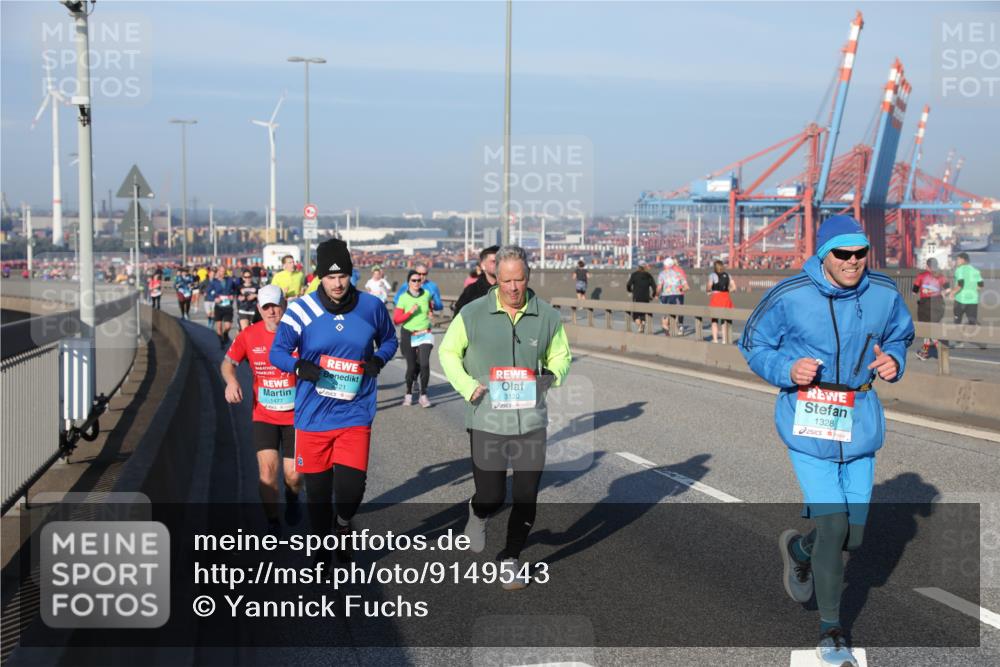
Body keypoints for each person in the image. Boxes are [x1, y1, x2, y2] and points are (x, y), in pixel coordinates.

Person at [738, 215, 914, 667]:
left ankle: (798, 550)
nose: (853, 262)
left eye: (860, 253)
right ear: (823, 254)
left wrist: (894, 360)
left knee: (853, 539)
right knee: (835, 528)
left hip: (859, 424)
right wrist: (786, 370)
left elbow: (900, 334)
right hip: (808, 422)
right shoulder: (789, 295)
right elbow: (754, 343)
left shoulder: (884, 291)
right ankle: (831, 632)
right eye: (843, 254)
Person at [439, 245, 571, 590]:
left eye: (521, 280)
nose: (514, 288)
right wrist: (468, 387)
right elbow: (448, 352)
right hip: (486, 418)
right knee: (492, 495)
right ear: (495, 277)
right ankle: (477, 512)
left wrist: (552, 375)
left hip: (530, 420)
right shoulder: (473, 312)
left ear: (529, 277)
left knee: (527, 494)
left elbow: (561, 354)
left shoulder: (546, 315)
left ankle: (510, 558)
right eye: (507, 280)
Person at [270, 238, 398, 564]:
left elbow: (389, 339)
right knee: (317, 495)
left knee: (351, 491)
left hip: (355, 412)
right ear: (319, 277)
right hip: (313, 415)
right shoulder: (302, 309)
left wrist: (379, 360)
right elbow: (278, 352)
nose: (337, 283)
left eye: (343, 276)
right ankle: (323, 551)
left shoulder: (370, 307)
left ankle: (343, 526)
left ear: (351, 274)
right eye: (330, 276)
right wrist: (299, 366)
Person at [221, 285, 302, 533]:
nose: (272, 312)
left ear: (284, 305)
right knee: (267, 472)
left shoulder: (299, 334)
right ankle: (273, 522)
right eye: (266, 307)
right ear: (259, 309)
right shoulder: (249, 335)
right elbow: (227, 363)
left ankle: (292, 495)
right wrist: (232, 381)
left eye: (276, 306)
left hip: (296, 417)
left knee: (293, 476)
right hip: (264, 415)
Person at [394, 269, 435, 407]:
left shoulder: (427, 294)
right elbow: (397, 320)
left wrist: (430, 312)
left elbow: (430, 306)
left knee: (424, 364)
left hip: (424, 333)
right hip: (409, 333)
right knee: (411, 367)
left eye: (419, 280)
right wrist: (410, 312)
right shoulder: (403, 298)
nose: (417, 282)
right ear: (408, 283)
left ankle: (423, 395)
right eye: (414, 280)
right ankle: (408, 394)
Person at [912, 257, 950, 360]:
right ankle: (932, 350)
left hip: (925, 304)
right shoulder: (940, 276)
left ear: (927, 266)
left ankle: (931, 350)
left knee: (926, 330)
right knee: (932, 329)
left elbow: (914, 291)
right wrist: (941, 293)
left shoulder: (921, 276)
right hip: (938, 303)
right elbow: (948, 289)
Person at [453, 245, 499, 315]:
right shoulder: (472, 291)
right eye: (493, 261)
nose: (498, 264)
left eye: (500, 261)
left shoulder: (510, 288)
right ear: (483, 265)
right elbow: (459, 315)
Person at [206, 266, 238, 349]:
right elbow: (208, 292)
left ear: (225, 272)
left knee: (228, 326)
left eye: (224, 271)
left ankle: (225, 334)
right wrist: (214, 298)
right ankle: (221, 342)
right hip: (219, 306)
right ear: (218, 272)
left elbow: (235, 289)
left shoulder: (230, 280)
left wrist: (232, 295)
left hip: (228, 306)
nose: (222, 273)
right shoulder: (214, 282)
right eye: (220, 271)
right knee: (219, 327)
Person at [656, 257, 689, 335]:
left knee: (665, 314)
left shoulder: (662, 274)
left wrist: (656, 294)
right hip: (677, 296)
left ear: (665, 265)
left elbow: (659, 287)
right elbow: (687, 287)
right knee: (676, 312)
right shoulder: (678, 274)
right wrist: (680, 290)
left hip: (666, 296)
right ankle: (678, 328)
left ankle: (666, 328)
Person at [707, 259, 736, 343]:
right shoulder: (728, 275)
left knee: (714, 320)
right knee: (724, 320)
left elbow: (709, 287)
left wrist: (709, 292)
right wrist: (727, 291)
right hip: (726, 298)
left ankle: (715, 339)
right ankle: (724, 340)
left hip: (716, 298)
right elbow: (734, 288)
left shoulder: (712, 275)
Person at [953, 252, 984, 328]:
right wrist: (972, 290)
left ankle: (958, 339)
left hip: (960, 300)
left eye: (957, 259)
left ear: (962, 260)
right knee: (972, 323)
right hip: (973, 301)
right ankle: (972, 339)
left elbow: (960, 285)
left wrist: (952, 293)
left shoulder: (959, 270)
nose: (956, 261)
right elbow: (981, 285)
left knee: (957, 321)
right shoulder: (975, 271)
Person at [626, 260, 656, 333]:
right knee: (643, 312)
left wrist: (630, 290)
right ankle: (642, 323)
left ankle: (640, 326)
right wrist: (653, 295)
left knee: (635, 314)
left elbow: (628, 285)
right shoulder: (649, 275)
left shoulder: (634, 275)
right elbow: (654, 287)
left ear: (638, 267)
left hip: (637, 296)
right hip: (646, 297)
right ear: (645, 266)